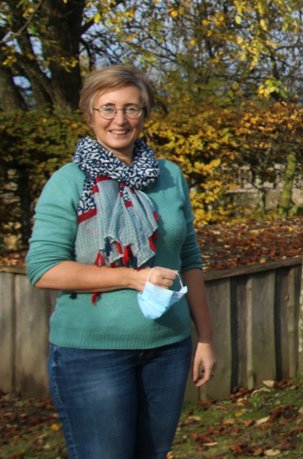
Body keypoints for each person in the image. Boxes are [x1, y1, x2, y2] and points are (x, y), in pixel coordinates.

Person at [25, 65, 216, 459]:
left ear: (144, 115)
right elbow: (43, 269)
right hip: (92, 355)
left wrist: (206, 338)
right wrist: (132, 278)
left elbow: (189, 258)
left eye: (132, 108)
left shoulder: (170, 176)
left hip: (168, 349)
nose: (120, 119)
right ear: (90, 113)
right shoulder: (70, 181)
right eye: (108, 108)